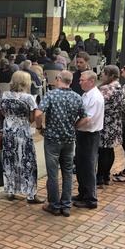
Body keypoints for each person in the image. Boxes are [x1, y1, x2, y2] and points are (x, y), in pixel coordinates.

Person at [35, 71, 85, 217]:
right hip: (69, 139)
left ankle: (54, 205)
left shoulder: (51, 94)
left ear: (58, 79)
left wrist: (39, 127)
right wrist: (74, 126)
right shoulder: (77, 96)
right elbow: (85, 118)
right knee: (68, 172)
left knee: (53, 173)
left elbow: (38, 114)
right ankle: (66, 205)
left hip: (52, 139)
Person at [0, 71, 43, 203]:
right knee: (27, 161)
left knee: (9, 160)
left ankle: (10, 190)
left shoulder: (4, 95)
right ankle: (30, 193)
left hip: (8, 130)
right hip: (23, 131)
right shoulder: (28, 98)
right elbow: (33, 116)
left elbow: (1, 111)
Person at [73, 71, 104, 209]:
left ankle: (91, 199)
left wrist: (73, 127)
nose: (79, 82)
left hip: (89, 135)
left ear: (91, 81)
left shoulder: (95, 97)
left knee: (88, 167)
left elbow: (87, 118)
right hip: (83, 134)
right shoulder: (86, 94)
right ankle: (83, 193)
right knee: (80, 165)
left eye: (82, 80)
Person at [97, 65, 125, 186]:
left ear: (110, 75)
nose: (102, 75)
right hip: (115, 123)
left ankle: (100, 176)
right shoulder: (120, 87)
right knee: (109, 150)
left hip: (105, 123)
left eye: (104, 73)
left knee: (102, 150)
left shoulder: (105, 89)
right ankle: (106, 175)